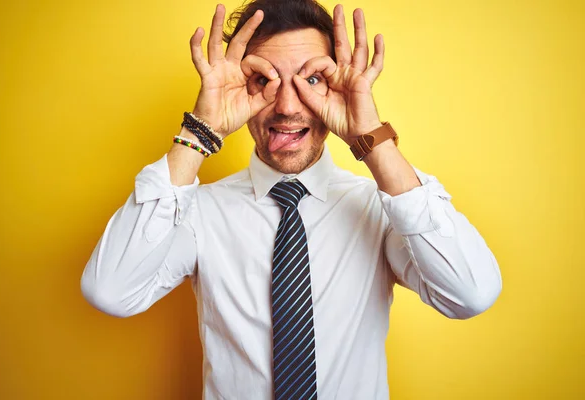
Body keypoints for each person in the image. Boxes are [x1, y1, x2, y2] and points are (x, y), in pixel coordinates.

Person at [81, 0, 502, 398]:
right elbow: (111, 291)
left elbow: (470, 294)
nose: (285, 105)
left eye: (311, 79)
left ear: (336, 86)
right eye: (262, 80)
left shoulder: (381, 209)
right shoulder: (197, 213)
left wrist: (371, 137)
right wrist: (200, 131)